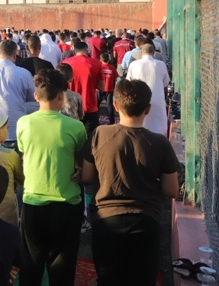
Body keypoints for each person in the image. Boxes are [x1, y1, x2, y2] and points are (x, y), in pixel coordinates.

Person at [82, 79, 180, 286]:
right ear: (148, 109)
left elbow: (87, 177)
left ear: (116, 105)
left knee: (108, 279)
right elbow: (171, 190)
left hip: (106, 220)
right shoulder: (160, 143)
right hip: (146, 220)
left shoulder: (100, 134)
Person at [16, 69, 87, 286]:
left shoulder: (23, 123)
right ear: (61, 96)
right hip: (66, 205)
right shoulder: (76, 127)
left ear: (36, 96)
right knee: (62, 272)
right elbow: (81, 161)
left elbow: (24, 151)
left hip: (32, 203)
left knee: (30, 270)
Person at [126, 44, 171, 137]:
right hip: (157, 99)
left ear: (141, 53)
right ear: (153, 53)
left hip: (139, 99)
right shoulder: (160, 64)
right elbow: (166, 82)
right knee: (158, 126)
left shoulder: (134, 64)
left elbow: (128, 82)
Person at [61, 40, 104, 136]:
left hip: (69, 106)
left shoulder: (65, 63)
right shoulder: (96, 63)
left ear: (74, 51)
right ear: (87, 51)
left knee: (70, 137)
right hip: (89, 106)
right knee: (90, 139)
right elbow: (102, 87)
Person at [98, 52, 118, 124]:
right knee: (109, 105)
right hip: (109, 88)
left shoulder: (99, 67)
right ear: (109, 60)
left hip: (99, 88)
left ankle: (95, 119)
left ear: (100, 60)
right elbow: (116, 78)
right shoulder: (112, 67)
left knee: (97, 104)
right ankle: (112, 121)